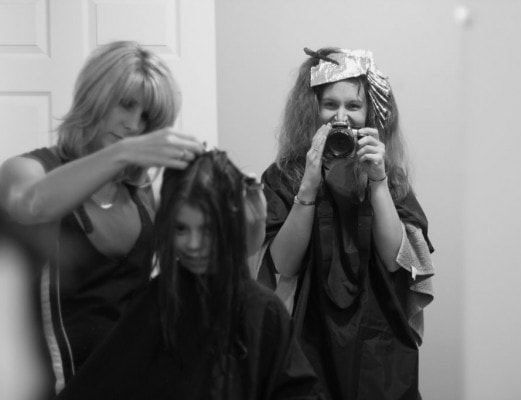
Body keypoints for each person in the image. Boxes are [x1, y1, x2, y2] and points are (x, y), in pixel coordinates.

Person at [0, 40, 204, 397]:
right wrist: (125, 151)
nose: (133, 125)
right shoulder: (28, 170)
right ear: (95, 96)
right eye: (125, 105)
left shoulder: (140, 192)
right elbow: (29, 205)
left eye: (146, 118)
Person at [54, 150, 324, 400]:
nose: (193, 244)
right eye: (181, 229)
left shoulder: (263, 312)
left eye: (207, 229)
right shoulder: (156, 304)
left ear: (228, 224)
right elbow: (96, 386)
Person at [257, 47, 436, 400]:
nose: (342, 117)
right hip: (307, 338)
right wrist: (307, 185)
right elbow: (282, 265)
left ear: (370, 112)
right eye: (330, 105)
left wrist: (378, 182)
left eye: (353, 106)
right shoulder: (285, 176)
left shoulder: (390, 178)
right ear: (313, 110)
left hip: (379, 344)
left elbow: (396, 259)